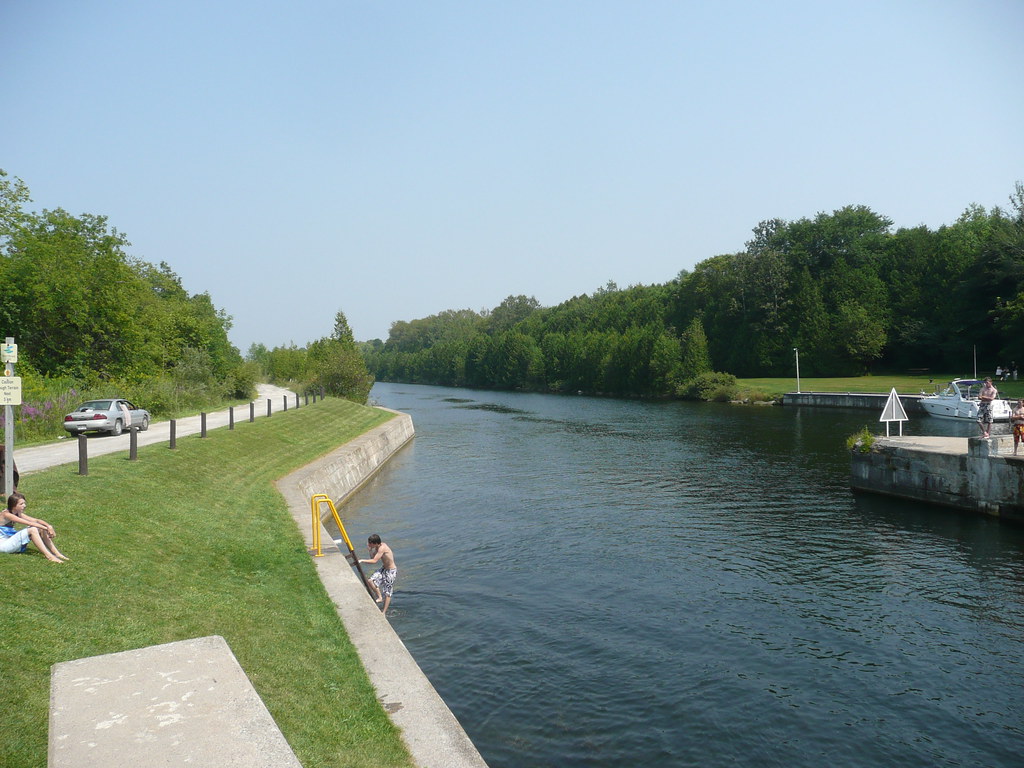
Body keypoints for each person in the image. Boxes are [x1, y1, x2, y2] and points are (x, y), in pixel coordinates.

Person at [1, 492, 67, 562]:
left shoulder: (17, 513)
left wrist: (48, 526)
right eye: (21, 504)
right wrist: (46, 528)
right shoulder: (6, 514)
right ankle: (49, 556)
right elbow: (29, 523)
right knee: (32, 529)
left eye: (24, 503)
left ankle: (57, 553)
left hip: (9, 540)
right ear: (14, 505)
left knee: (39, 528)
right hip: (3, 545)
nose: (24, 505)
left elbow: (36, 520)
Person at [359, 534, 397, 617]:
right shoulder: (377, 547)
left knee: (387, 592)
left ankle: (383, 612)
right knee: (370, 580)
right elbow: (373, 557)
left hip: (391, 571)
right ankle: (380, 597)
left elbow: (374, 561)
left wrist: (362, 560)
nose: (368, 544)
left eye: (370, 543)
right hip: (384, 569)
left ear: (375, 543)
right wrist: (370, 550)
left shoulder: (382, 547)